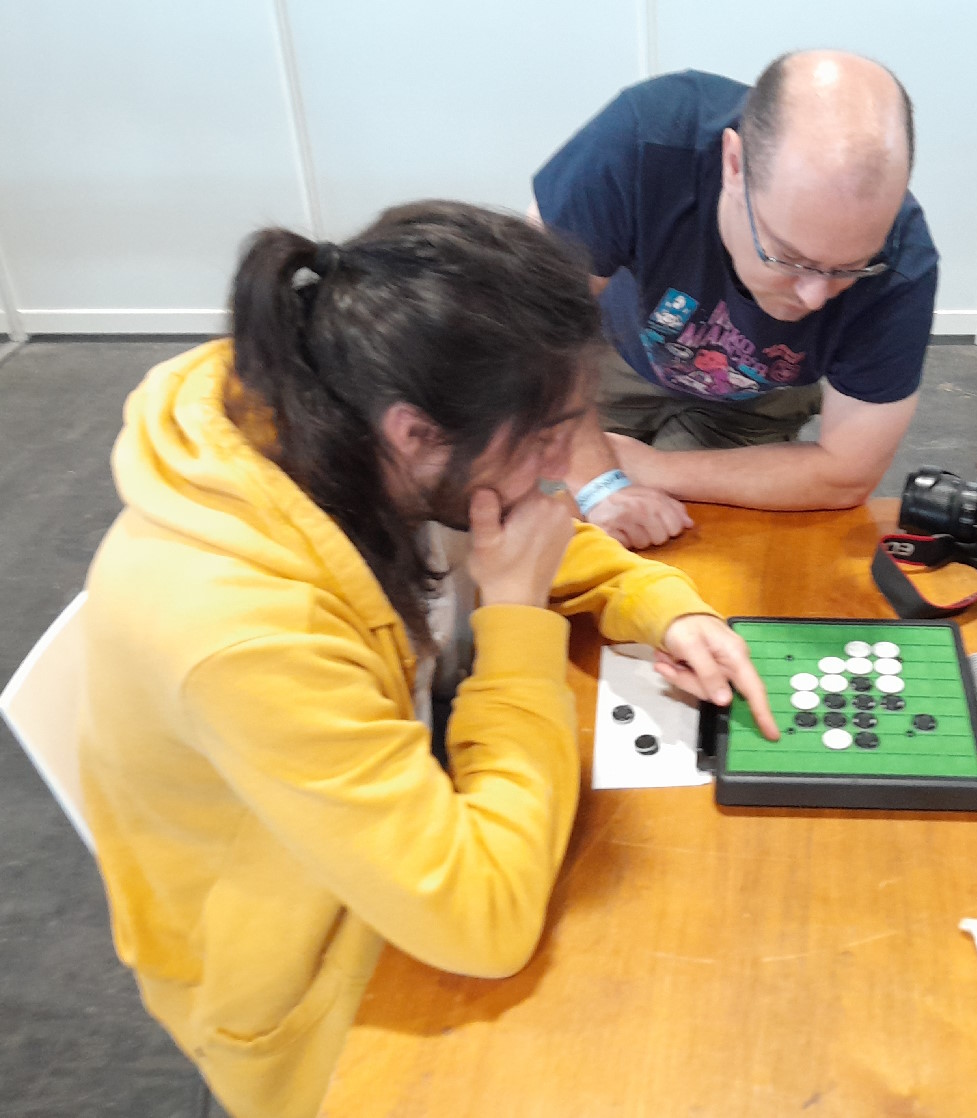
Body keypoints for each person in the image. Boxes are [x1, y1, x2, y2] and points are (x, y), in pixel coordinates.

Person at [78, 202, 778, 1118]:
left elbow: (504, 520)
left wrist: (659, 605)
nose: (565, 472)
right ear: (415, 435)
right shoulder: (243, 632)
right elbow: (483, 918)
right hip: (322, 992)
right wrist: (516, 616)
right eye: (545, 437)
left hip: (386, 842)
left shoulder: (337, 416)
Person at [531, 50, 939, 549]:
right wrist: (598, 482)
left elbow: (846, 474)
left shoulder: (904, 264)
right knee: (582, 529)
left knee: (693, 543)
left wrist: (654, 469)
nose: (814, 297)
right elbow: (525, 331)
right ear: (733, 165)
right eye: (788, 257)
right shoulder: (644, 141)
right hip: (611, 357)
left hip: (754, 397)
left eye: (850, 267)